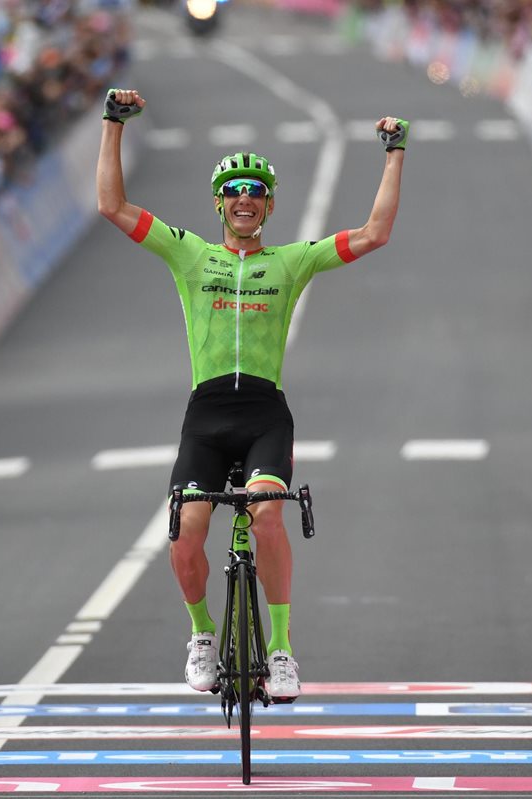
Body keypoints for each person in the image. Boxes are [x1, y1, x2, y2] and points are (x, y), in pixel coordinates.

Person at [96, 88, 406, 700]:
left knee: (267, 514)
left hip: (265, 414)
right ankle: (203, 633)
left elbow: (374, 234)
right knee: (186, 528)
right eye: (235, 192)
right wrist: (113, 123)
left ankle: (283, 647)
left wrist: (394, 154)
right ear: (219, 203)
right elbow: (111, 205)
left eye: (256, 192)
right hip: (206, 416)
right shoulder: (189, 255)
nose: (245, 199)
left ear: (268, 205)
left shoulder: (290, 262)